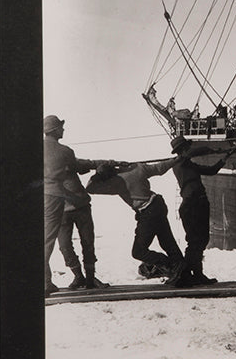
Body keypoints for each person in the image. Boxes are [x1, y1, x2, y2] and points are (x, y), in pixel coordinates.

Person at [86, 157, 187, 285]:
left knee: (139, 251)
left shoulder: (116, 183)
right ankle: (182, 270)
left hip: (147, 212)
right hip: (158, 204)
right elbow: (160, 168)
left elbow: (90, 188)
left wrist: (98, 174)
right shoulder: (139, 168)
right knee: (167, 241)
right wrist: (177, 159)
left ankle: (173, 266)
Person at [43, 115, 109, 294]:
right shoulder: (65, 152)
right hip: (65, 206)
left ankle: (88, 278)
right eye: (61, 127)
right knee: (71, 245)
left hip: (75, 205)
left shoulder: (45, 153)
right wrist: (99, 164)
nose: (63, 130)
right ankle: (80, 276)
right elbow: (78, 165)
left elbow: (79, 165)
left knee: (70, 244)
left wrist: (96, 163)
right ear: (55, 130)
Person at [171, 136, 235, 286]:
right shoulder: (179, 163)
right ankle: (186, 274)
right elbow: (188, 155)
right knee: (195, 241)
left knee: (201, 241)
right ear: (183, 150)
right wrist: (210, 149)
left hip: (199, 204)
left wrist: (225, 157)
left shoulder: (190, 165)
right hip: (192, 205)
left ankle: (196, 274)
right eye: (186, 147)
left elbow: (211, 171)